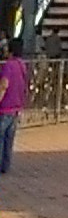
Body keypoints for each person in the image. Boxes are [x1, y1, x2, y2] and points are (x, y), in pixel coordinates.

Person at [0, 37, 29, 174]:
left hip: (5, 106)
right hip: (16, 106)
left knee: (1, 137)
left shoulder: (8, 65)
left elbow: (4, 85)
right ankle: (5, 165)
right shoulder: (21, 65)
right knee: (9, 138)